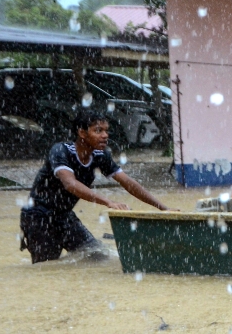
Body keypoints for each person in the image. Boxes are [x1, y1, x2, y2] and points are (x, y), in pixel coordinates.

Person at [19, 108, 172, 263]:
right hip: (37, 217)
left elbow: (128, 182)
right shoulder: (61, 151)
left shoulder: (101, 156)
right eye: (98, 131)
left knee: (97, 256)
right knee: (47, 266)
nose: (105, 136)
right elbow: (70, 184)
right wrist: (108, 202)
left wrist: (162, 208)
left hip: (64, 216)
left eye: (106, 130)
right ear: (82, 133)